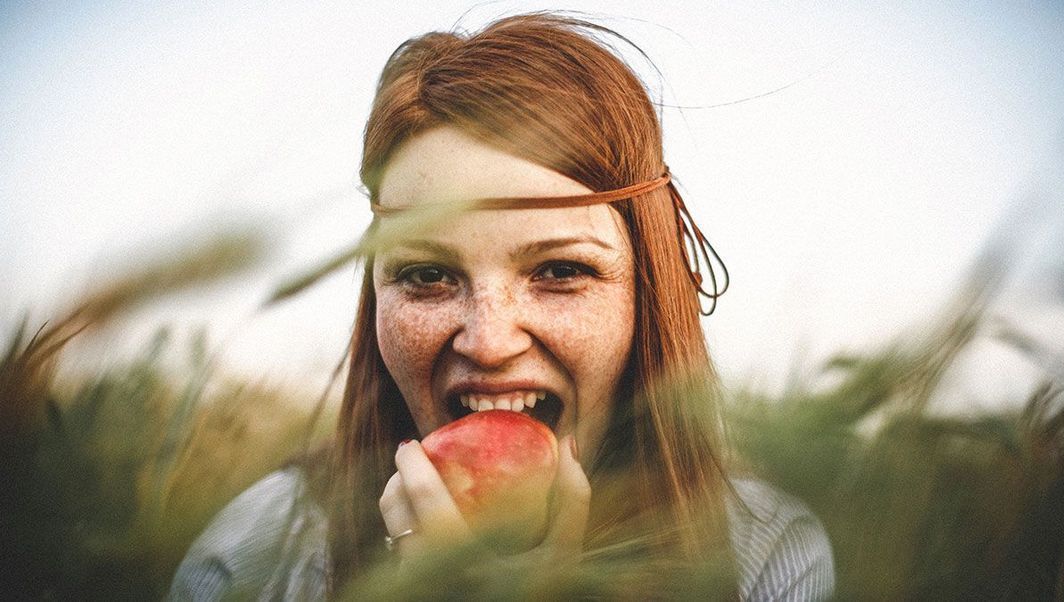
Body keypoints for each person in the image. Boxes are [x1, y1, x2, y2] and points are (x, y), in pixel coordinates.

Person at [169, 13, 834, 600]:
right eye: (428, 274)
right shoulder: (255, 555)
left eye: (561, 270)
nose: (488, 343)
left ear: (648, 292)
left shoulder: (767, 563)